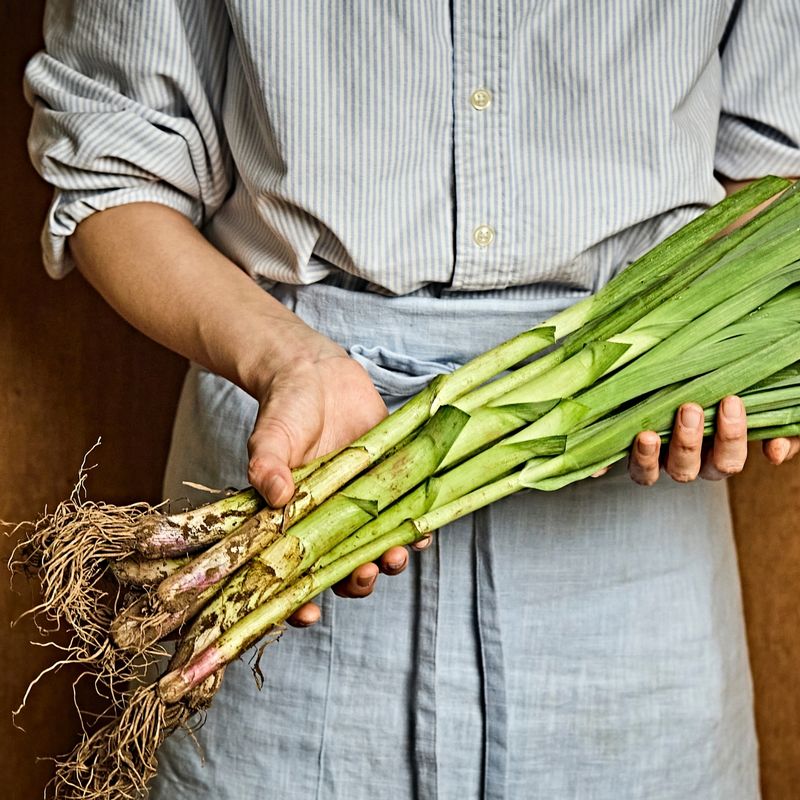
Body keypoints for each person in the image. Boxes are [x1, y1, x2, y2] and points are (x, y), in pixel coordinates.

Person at [24, 1, 800, 798]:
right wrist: (283, 356)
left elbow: (778, 188)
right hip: (286, 436)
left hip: (632, 521)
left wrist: (707, 361)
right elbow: (109, 166)